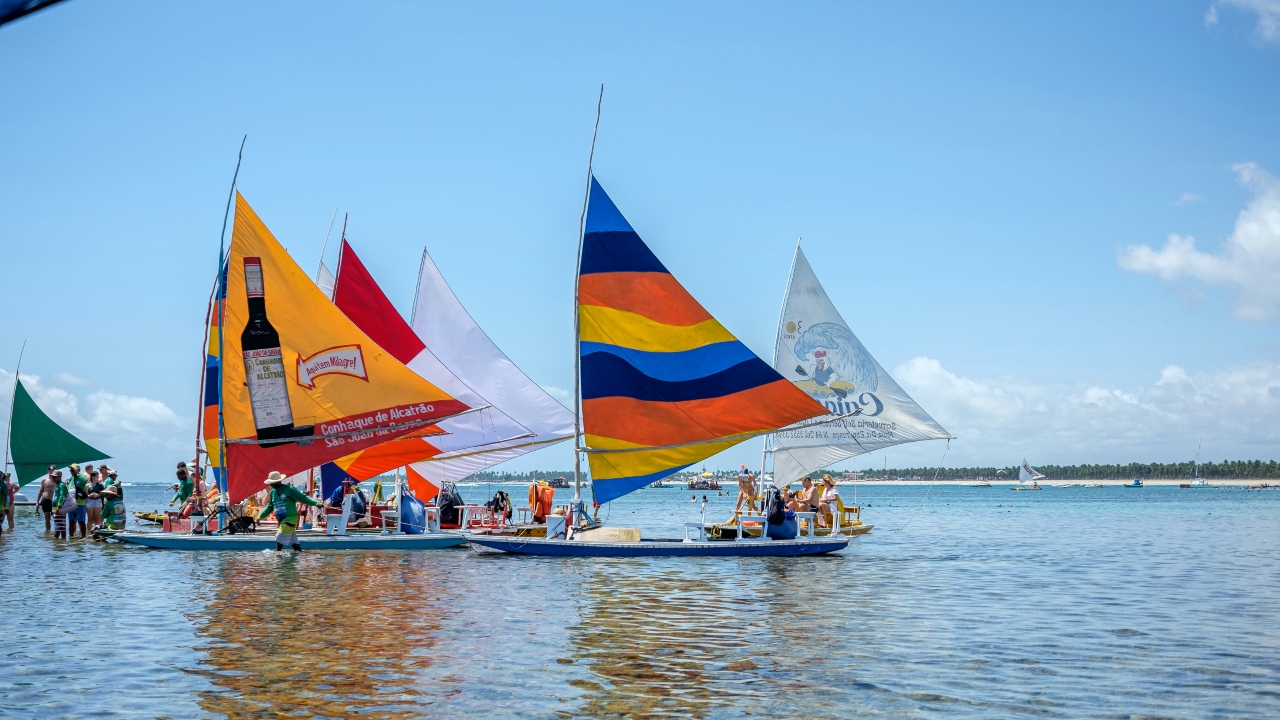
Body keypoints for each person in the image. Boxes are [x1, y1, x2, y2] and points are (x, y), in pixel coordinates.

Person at [257, 471, 322, 551]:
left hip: (289, 519)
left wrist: (316, 503)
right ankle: (299, 555)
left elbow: (303, 497)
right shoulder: (273, 492)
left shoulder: (289, 489)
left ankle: (277, 558)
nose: (271, 485)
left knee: (279, 538)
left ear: (279, 481)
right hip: (282, 521)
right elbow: (270, 506)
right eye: (270, 483)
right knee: (295, 544)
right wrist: (260, 516)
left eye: (273, 483)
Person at [68, 463, 89, 539]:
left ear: (77, 470)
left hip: (80, 503)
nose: (71, 471)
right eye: (70, 470)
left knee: (81, 521)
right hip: (71, 504)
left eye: (73, 470)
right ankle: (71, 537)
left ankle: (83, 537)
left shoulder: (80, 477)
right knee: (71, 521)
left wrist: (78, 473)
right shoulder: (71, 478)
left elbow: (86, 480)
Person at [37, 466, 58, 532]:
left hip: (54, 502)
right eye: (51, 470)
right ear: (48, 471)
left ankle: (56, 532)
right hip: (45, 501)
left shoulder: (57, 480)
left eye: (53, 470)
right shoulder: (44, 480)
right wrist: (37, 502)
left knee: (55, 517)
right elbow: (40, 491)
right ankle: (48, 532)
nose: (52, 471)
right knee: (47, 518)